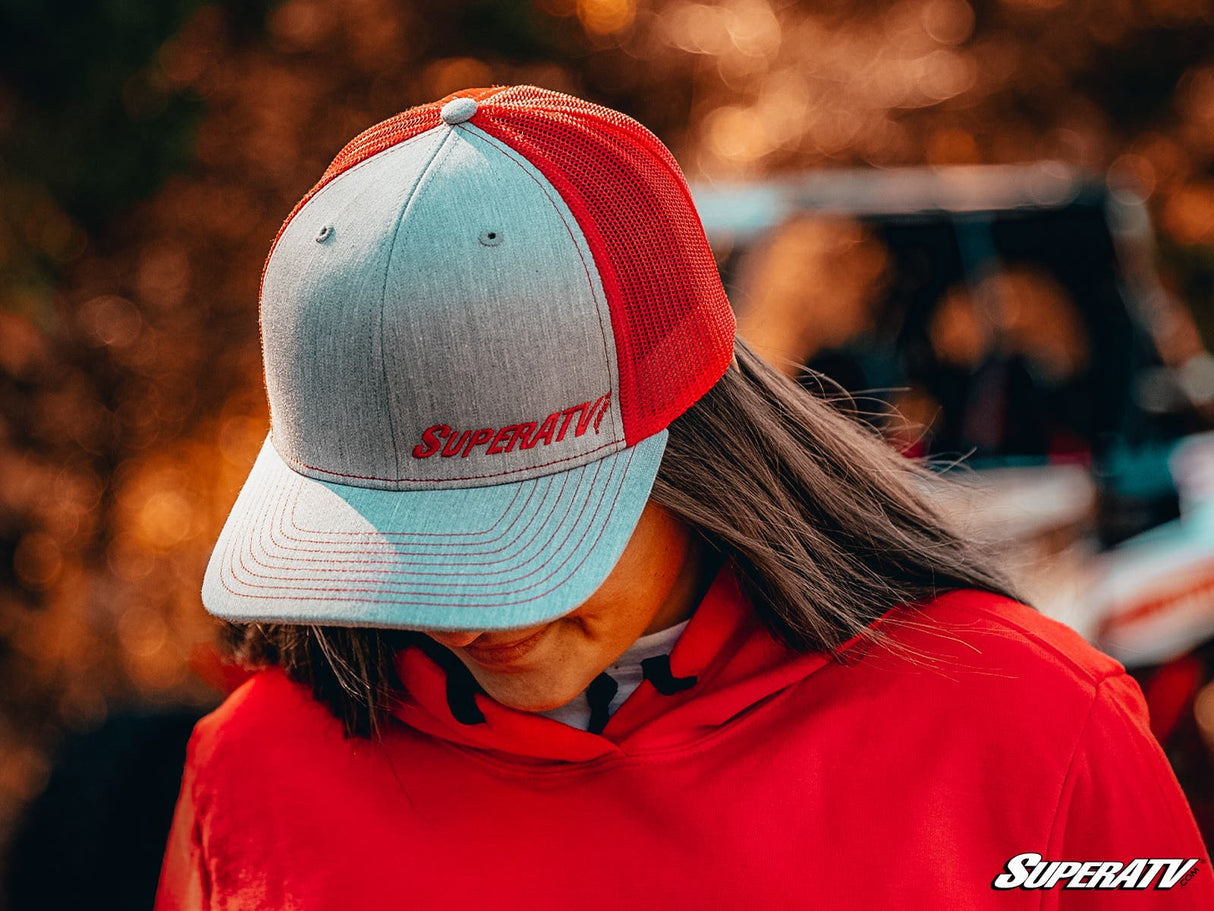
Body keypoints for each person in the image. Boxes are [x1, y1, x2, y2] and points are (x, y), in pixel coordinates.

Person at [155, 86, 1211, 910]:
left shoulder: (1018, 726)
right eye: (397, 545)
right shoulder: (254, 770)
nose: (462, 614)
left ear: (687, 447)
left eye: (513, 537)